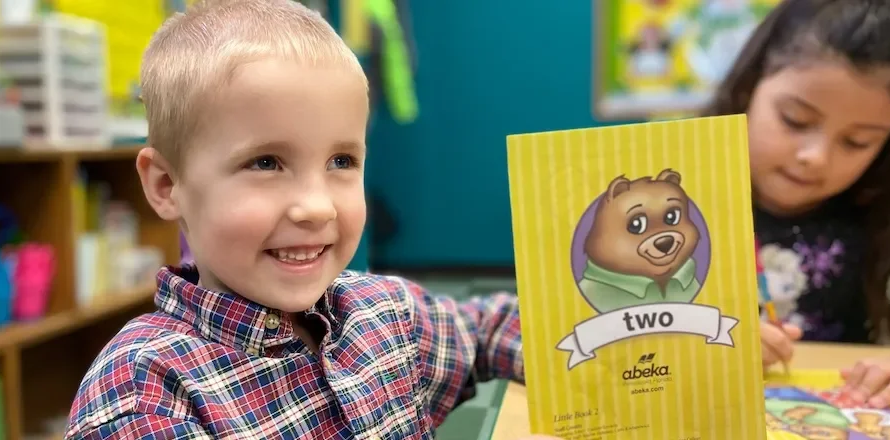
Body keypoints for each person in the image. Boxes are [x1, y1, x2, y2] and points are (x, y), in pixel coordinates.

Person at [63, 1, 552, 439]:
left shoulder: (382, 312)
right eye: (266, 163)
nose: (318, 207)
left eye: (342, 161)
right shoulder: (142, 393)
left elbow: (490, 329)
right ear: (167, 185)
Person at [703, 0, 890, 408]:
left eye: (857, 142)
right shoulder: (668, 198)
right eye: (794, 120)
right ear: (748, 88)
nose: (815, 156)